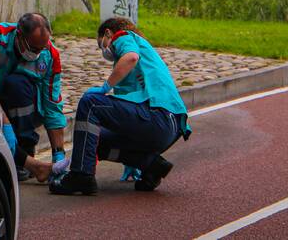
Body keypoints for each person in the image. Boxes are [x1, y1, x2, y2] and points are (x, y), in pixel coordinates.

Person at [49, 17, 192, 196]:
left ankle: (81, 175)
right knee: (95, 140)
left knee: (90, 103)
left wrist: (105, 87)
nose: (104, 49)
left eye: (101, 43)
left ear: (108, 33)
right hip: (171, 128)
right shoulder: (145, 55)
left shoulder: (123, 36)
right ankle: (151, 165)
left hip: (157, 116)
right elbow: (125, 118)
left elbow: (131, 57)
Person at [0, 12, 66, 181]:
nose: (38, 53)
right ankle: (32, 165)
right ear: (19, 35)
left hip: (25, 105)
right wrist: (6, 126)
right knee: (10, 87)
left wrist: (59, 153)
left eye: (43, 48)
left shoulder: (50, 55)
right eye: (34, 48)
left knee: (17, 85)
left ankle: (26, 153)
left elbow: (52, 105)